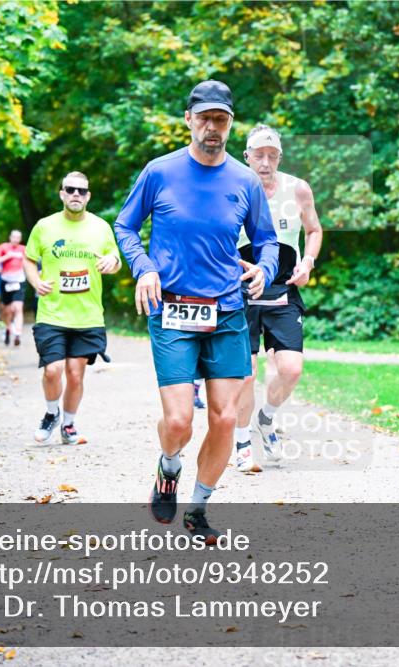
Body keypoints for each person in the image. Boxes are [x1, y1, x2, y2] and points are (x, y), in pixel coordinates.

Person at [114, 80, 278, 543]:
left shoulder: (245, 181)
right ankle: (169, 467)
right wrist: (143, 267)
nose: (212, 128)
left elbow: (266, 241)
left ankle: (198, 508)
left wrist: (265, 268)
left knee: (225, 417)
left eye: (221, 120)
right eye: (204, 118)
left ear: (230, 124)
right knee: (181, 421)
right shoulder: (160, 172)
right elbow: (125, 225)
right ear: (188, 119)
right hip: (171, 310)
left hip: (226, 310)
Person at [233, 125, 323, 473]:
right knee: (245, 372)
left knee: (291, 369)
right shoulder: (232, 188)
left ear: (280, 157)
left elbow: (314, 230)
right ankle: (242, 444)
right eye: (259, 155)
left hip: (284, 290)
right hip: (241, 292)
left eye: (272, 155)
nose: (265, 162)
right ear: (247, 157)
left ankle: (266, 419)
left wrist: (308, 262)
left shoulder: (298, 189)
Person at [24, 171, 121, 445]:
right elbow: (29, 260)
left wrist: (111, 264)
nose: (75, 194)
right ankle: (51, 413)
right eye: (70, 189)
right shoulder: (44, 226)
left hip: (87, 315)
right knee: (52, 370)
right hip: (52, 313)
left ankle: (68, 424)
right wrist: (36, 282)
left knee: (76, 375)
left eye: (81, 190)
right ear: (62, 194)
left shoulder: (101, 227)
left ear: (88, 196)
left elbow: (114, 260)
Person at [0, 230, 27, 346]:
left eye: (18, 237)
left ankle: (18, 334)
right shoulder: (3, 247)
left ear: (20, 239)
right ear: (10, 237)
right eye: (14, 237)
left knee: (18, 308)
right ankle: (7, 329)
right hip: (6, 280)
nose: (16, 239)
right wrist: (7, 256)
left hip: (19, 280)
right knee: (7, 310)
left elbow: (32, 262)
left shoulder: (24, 249)